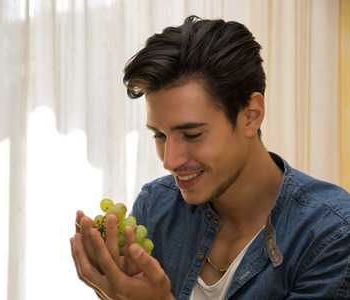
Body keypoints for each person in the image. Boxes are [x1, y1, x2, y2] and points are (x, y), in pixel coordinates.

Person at [70, 16, 350, 300]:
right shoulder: (156, 206)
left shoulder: (333, 235)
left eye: (191, 134)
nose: (170, 161)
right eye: (159, 135)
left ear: (250, 115)